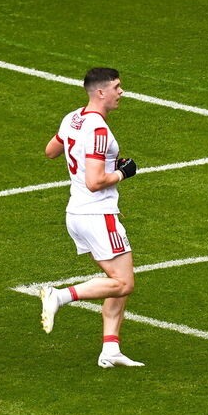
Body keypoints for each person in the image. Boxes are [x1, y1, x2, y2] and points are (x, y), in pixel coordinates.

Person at [40, 68, 143, 368]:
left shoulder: (73, 117)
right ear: (101, 92)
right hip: (97, 213)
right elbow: (95, 181)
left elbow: (51, 151)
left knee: (116, 280)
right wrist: (124, 171)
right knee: (123, 283)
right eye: (117, 87)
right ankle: (59, 296)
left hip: (78, 212)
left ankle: (110, 349)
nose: (121, 92)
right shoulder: (98, 130)